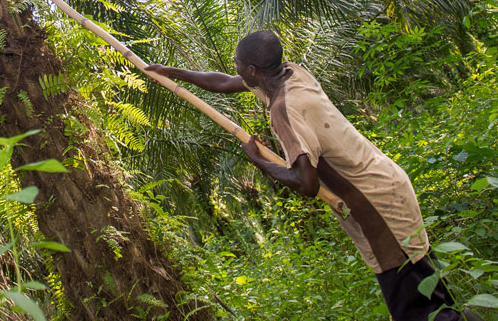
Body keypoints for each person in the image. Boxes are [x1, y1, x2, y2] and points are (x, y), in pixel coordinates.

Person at [146, 30, 478, 321]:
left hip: (378, 207)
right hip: (387, 184)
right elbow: (224, 82)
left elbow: (307, 184)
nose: (234, 67)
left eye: (237, 62)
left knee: (415, 306)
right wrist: (170, 72)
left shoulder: (285, 109)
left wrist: (259, 159)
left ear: (252, 70)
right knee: (426, 286)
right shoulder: (289, 75)